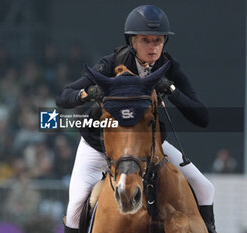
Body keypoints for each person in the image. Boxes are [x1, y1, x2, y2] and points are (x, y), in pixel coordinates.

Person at [55, 5, 217, 233]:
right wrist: (87, 93)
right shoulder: (111, 64)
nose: (153, 47)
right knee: (75, 209)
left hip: (144, 144)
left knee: (205, 187)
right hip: (99, 145)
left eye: (158, 41)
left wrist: (170, 88)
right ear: (132, 41)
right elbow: (63, 97)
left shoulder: (168, 67)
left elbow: (202, 117)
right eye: (146, 40)